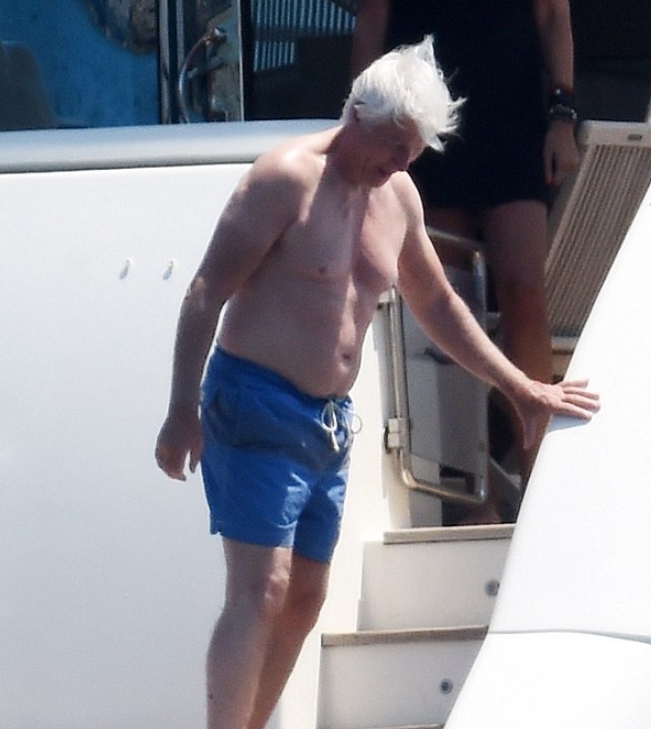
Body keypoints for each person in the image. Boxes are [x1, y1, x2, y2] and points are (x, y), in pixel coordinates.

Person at [155, 38, 598, 729]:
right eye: (393, 144)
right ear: (356, 113)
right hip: (254, 402)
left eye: (412, 151)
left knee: (306, 596)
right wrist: (181, 409)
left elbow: (438, 304)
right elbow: (205, 292)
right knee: (262, 589)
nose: (399, 162)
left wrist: (520, 385)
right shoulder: (283, 179)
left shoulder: (397, 196)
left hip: (328, 423)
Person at [351, 0, 581, 522]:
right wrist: (358, 127)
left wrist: (563, 116)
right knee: (448, 303)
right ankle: (475, 495)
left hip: (513, 118)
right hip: (425, 126)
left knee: (524, 292)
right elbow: (372, 21)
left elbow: (553, 16)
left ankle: (542, 482)